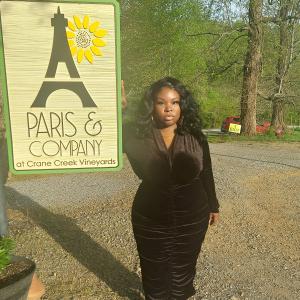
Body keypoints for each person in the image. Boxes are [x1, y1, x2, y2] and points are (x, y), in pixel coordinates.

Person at [121, 77, 219, 299]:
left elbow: (206, 171)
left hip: (193, 214)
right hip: (150, 216)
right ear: (151, 106)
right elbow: (105, 140)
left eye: (175, 102)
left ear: (182, 105)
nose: (169, 108)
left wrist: (213, 204)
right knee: (153, 268)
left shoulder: (195, 135)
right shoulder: (135, 135)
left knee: (184, 267)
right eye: (161, 102)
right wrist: (120, 112)